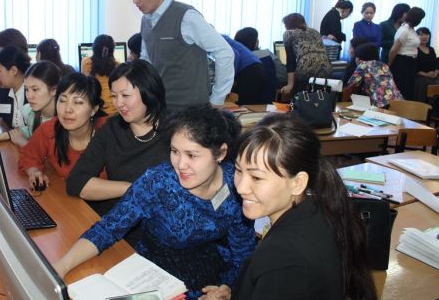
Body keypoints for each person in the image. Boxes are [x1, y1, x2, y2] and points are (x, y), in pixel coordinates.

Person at [56, 105, 256, 299]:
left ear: (221, 153)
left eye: (191, 155)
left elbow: (243, 250)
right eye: (175, 151)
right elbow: (108, 228)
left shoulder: (237, 184)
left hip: (213, 276)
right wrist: (61, 267)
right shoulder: (157, 183)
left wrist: (229, 289)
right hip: (157, 279)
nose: (180, 164)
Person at [201, 114, 377, 300]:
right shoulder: (320, 209)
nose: (241, 187)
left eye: (257, 177)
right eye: (238, 170)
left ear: (298, 183)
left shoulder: (283, 256)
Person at [125, 0, 234, 110]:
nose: (134, 0)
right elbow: (147, 62)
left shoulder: (186, 16)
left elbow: (225, 52)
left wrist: (217, 99)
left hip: (191, 112)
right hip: (161, 108)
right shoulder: (146, 20)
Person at [67, 60, 170, 216]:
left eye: (125, 95)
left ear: (149, 92)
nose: (118, 103)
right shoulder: (112, 129)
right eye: (114, 96)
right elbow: (76, 182)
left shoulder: (174, 130)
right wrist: (132, 188)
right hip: (120, 218)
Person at [18, 73, 108, 189]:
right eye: (62, 100)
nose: (67, 109)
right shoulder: (50, 129)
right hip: (66, 197)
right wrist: (34, 171)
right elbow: (29, 156)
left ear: (94, 110)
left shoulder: (110, 131)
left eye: (78, 102)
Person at [9, 61, 62, 147]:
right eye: (27, 89)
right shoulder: (30, 113)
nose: (29, 96)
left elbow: (51, 154)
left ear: (54, 90)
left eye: (35, 89)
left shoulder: (64, 122)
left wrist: (24, 143)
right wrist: (2, 136)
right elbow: (30, 130)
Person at [280, 13, 331, 96]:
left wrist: (290, 85)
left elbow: (291, 61)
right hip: (326, 67)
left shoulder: (288, 33)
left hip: (306, 67)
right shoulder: (315, 32)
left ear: (289, 25)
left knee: (299, 97)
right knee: (320, 96)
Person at [346, 43, 402, 107]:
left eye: (356, 57)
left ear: (360, 57)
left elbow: (351, 85)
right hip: (398, 102)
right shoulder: (384, 65)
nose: (355, 59)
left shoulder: (363, 65)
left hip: (381, 104)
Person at [389, 7, 426, 100]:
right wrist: (390, 64)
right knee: (402, 88)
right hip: (402, 62)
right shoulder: (404, 30)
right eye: (420, 19)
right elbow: (393, 50)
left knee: (408, 88)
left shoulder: (411, 29)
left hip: (411, 62)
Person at [221, 35, 267, 104]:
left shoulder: (216, 40)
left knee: (242, 105)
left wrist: (230, 80)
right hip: (256, 68)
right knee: (249, 104)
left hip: (249, 70)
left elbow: (235, 55)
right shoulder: (221, 38)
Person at [81, 34, 118, 115]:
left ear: (94, 48)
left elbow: (85, 87)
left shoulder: (86, 62)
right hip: (115, 111)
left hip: (97, 111)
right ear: (112, 50)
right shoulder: (118, 66)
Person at [414, 27, 439, 102]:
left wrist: (436, 72)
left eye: (426, 34)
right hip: (419, 77)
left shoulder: (431, 49)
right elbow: (414, 68)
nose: (424, 37)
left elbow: (436, 64)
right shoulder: (414, 49)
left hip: (432, 76)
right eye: (421, 35)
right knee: (425, 83)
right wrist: (426, 75)